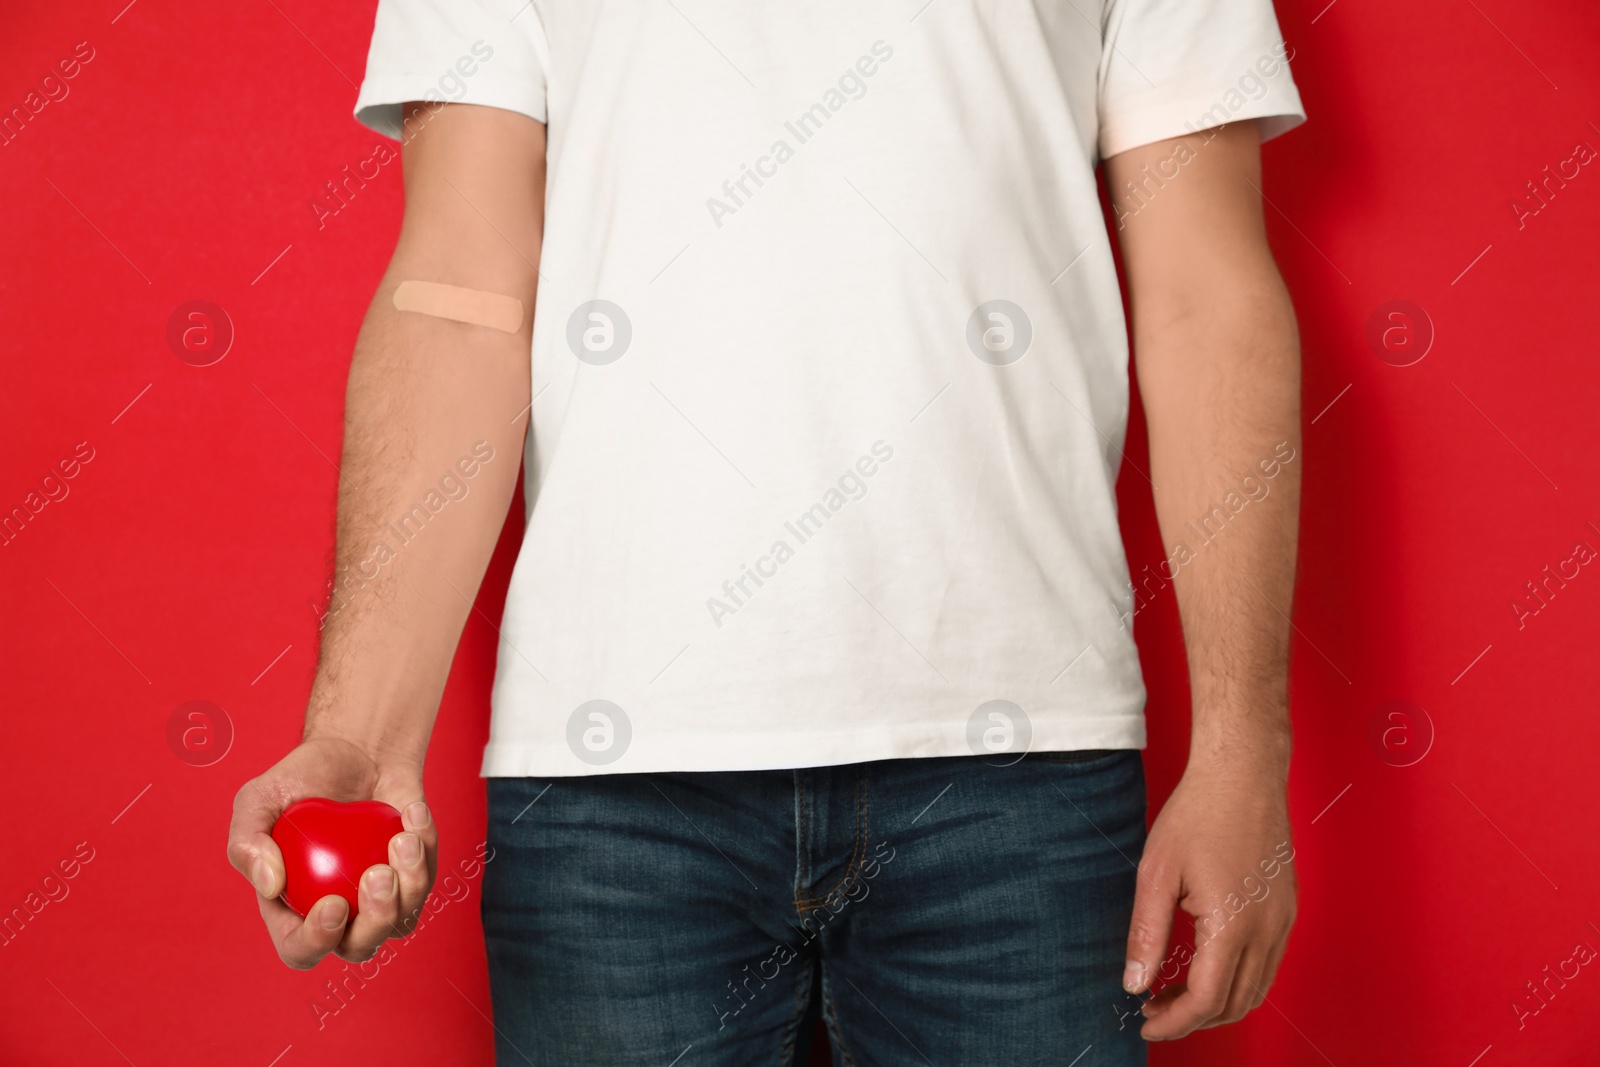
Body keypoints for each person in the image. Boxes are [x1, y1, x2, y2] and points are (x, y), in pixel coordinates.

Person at [227, 1, 1306, 1062]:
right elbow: (459, 295)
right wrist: (362, 732)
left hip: (1019, 768)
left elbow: (1202, 299)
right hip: (614, 785)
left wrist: (1240, 754)